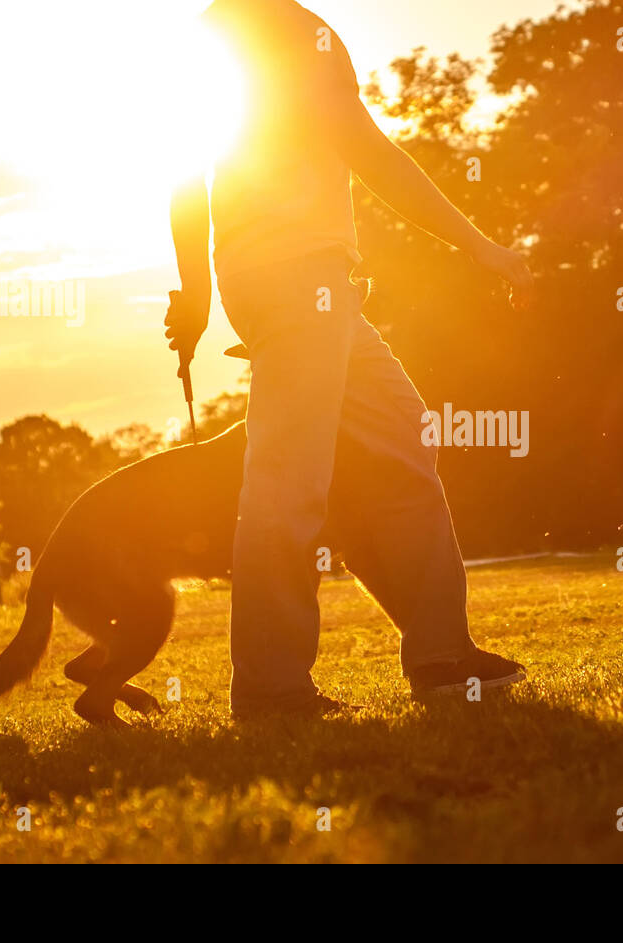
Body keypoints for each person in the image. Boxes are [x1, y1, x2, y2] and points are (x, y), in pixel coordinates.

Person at [165, 0, 535, 716]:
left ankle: (439, 653)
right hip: (300, 276)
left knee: (400, 436)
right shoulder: (298, 31)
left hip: (295, 280)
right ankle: (272, 686)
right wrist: (480, 246)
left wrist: (200, 290)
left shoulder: (220, 29)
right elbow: (370, 153)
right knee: (288, 480)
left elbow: (187, 177)